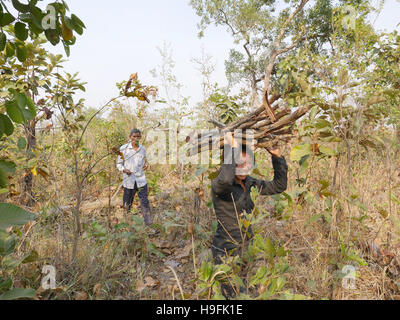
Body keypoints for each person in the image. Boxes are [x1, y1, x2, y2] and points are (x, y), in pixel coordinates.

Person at [210, 132, 288, 298]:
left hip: (246, 247)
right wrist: (231, 148)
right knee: (231, 294)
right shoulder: (220, 185)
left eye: (247, 162)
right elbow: (225, 179)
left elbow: (279, 186)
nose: (243, 166)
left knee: (243, 289)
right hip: (226, 249)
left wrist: (277, 157)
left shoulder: (250, 183)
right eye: (238, 162)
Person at [117, 129, 153, 226]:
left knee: (145, 203)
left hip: (141, 180)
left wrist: (145, 165)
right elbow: (119, 164)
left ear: (140, 137)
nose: (136, 139)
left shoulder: (143, 149)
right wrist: (124, 170)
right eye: (134, 136)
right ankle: (126, 225)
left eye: (138, 137)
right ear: (130, 137)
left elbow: (143, 162)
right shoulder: (123, 149)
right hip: (129, 181)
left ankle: (149, 225)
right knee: (127, 204)